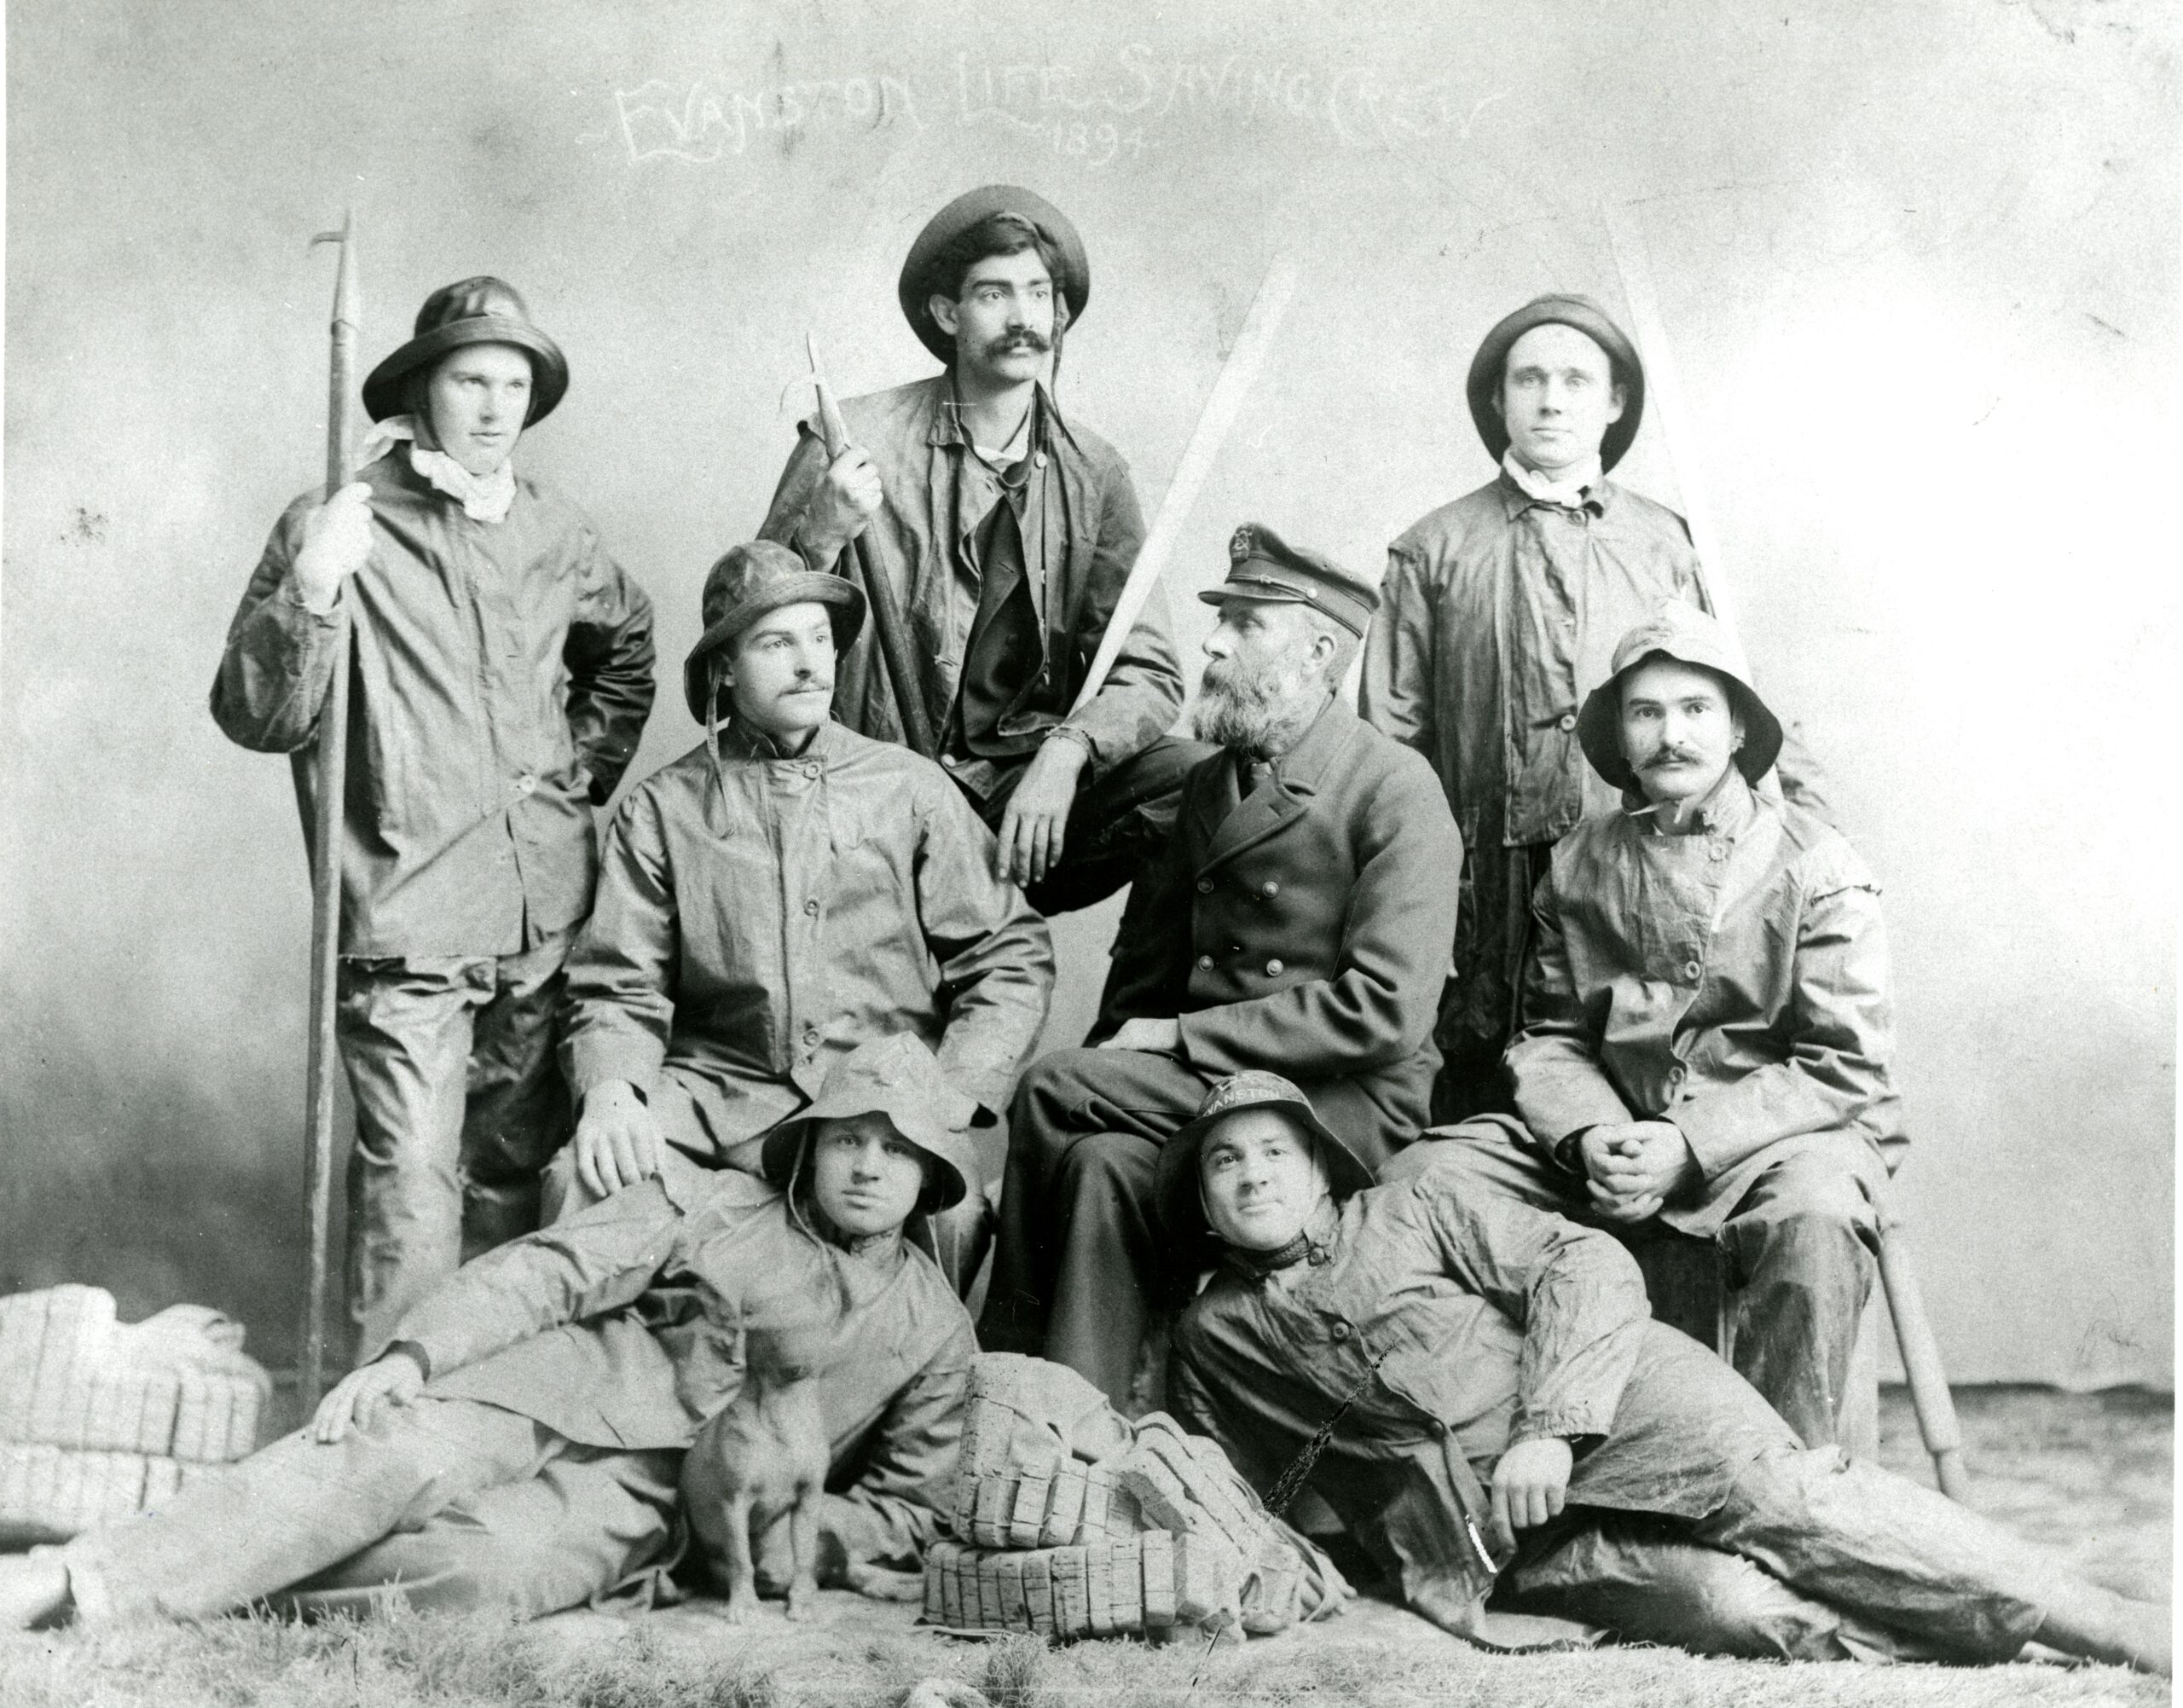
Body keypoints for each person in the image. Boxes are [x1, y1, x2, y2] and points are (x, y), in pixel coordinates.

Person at [1159, 1073, 2169, 1672]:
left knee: (1797, 1504)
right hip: (1504, 1538)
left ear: (1322, 1167)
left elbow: (1583, 1259)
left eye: (1274, 1152)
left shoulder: (1412, 1207)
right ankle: (2033, 1611)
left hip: (1623, 1397)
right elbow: (1226, 1484)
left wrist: (1548, 1425)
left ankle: (2118, 1626)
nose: (1254, 1175)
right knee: (1736, 1611)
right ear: (1204, 1206)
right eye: (1224, 1163)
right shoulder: (1214, 1334)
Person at [0, 1036, 976, 1630]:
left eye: (898, 1150)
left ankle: (219, 1566)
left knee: (479, 1573)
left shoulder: (934, 1329)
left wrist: (795, 1541)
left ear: (930, 1175)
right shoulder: (713, 1200)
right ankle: (73, 1576)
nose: (867, 1166)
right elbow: (549, 1269)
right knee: (384, 1454)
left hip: (650, 1504)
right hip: (550, 1387)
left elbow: (906, 1504)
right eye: (849, 1135)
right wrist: (414, 1354)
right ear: (810, 1143)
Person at [210, 277, 657, 1358]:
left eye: (514, 383)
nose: (496, 406)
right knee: (412, 1185)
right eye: (472, 379)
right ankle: (379, 1461)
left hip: (544, 913)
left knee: (509, 1184)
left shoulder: (554, 529)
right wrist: (312, 590)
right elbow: (257, 714)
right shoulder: (342, 515)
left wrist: (570, 786)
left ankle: (478, 1440)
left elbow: (627, 648)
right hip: (406, 912)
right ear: (423, 385)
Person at [1388, 602, 1894, 1449]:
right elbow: (1549, 1034)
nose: (1671, 734)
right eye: (1645, 711)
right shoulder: (1580, 859)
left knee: (1813, 1211)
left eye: (1696, 708)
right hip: (1613, 1132)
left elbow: (1843, 1063)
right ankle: (1484, 1463)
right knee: (1427, 1175)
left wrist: (1685, 1143)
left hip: (1770, 1140)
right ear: (1617, 736)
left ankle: (1782, 1489)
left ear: (1738, 729)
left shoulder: (1815, 860)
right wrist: (1593, 1135)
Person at [982, 525, 1460, 1405]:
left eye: (1244, 625)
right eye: (1219, 621)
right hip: (1214, 1087)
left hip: (1341, 1100)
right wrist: (1116, 1064)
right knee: (1097, 1164)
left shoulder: (1394, 786)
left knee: (1048, 1089)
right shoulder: (1207, 782)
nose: (1210, 643)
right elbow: (1146, 974)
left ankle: (1001, 1368)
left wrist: (1176, 1038)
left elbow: (1386, 1010)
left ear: (1320, 651)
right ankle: (1080, 1426)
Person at [1361, 294, 1822, 1122]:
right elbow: (1385, 755)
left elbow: (1739, 718)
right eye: (1527, 378)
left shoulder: (1671, 546)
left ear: (1613, 402)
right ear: (1496, 399)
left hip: (1638, 874)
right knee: (1475, 1100)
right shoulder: (1431, 550)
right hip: (1478, 894)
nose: (1550, 398)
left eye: (1575, 379)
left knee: (1638, 1092)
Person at [555, 542, 1054, 1289]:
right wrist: (611, 1091)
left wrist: (951, 1093)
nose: (810, 664)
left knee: (950, 1220)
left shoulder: (908, 789)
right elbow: (619, 982)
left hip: (878, 1104)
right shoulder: (663, 808)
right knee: (583, 1177)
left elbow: (1009, 955)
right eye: (777, 641)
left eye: (820, 638)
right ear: (723, 667)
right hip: (720, 1096)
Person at [757, 184, 1206, 914]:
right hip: (868, 791)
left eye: (1039, 293)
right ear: (947, 313)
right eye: (995, 294)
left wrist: (1067, 752)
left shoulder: (1095, 473)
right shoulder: (849, 442)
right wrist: (823, 535)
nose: (1024, 317)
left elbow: (1147, 669)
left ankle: (1139, 1013)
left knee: (1204, 782)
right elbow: (748, 648)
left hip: (1020, 801)